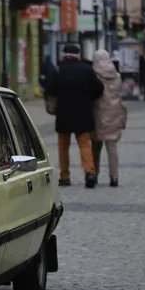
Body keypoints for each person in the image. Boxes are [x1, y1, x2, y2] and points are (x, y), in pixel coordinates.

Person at [45, 43, 104, 188]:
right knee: (85, 145)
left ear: (64, 54)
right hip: (83, 114)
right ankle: (89, 172)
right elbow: (99, 89)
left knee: (63, 147)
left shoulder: (58, 71)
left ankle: (64, 176)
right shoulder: (87, 70)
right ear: (78, 54)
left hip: (63, 114)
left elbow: (49, 90)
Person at [90, 50, 126, 188]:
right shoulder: (117, 75)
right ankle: (114, 177)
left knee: (95, 147)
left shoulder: (95, 74)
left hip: (98, 112)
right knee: (112, 147)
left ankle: (95, 174)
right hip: (114, 112)